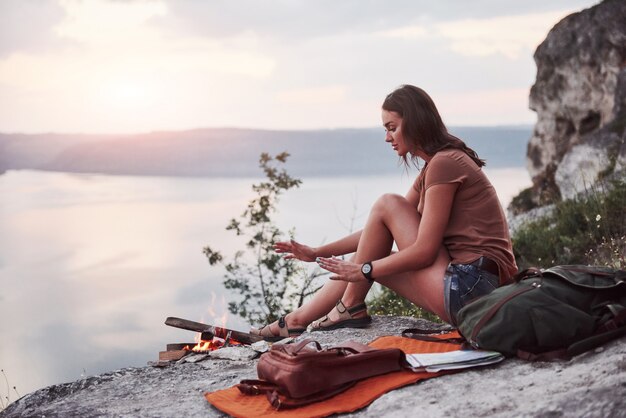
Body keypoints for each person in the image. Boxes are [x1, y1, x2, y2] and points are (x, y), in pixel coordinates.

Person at [250, 84, 518, 340]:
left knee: (387, 205)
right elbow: (377, 229)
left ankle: (348, 306)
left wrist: (366, 270)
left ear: (414, 123)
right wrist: (317, 253)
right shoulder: (435, 166)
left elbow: (424, 250)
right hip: (472, 292)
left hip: (471, 290)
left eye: (392, 128)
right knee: (373, 241)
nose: (387, 137)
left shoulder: (445, 163)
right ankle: (298, 320)